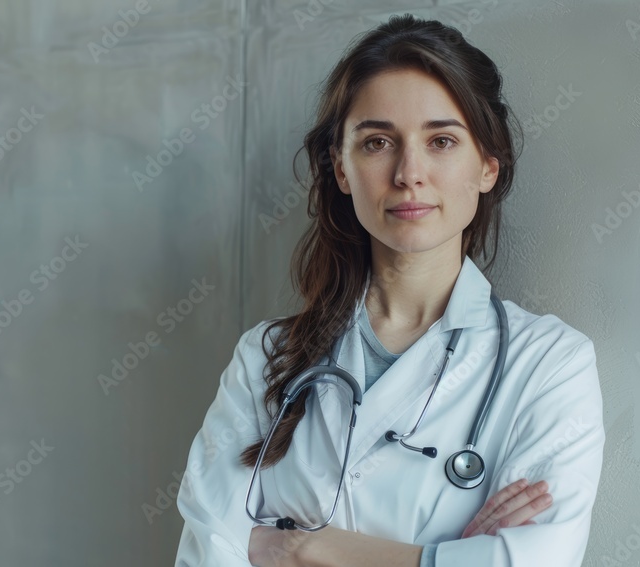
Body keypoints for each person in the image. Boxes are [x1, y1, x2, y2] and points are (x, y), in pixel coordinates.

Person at [174, 14, 604, 567]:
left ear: (487, 167)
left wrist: (301, 546)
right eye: (378, 142)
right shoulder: (264, 360)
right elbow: (206, 553)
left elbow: (538, 561)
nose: (409, 172)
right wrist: (442, 556)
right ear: (342, 168)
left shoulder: (548, 363)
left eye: (442, 141)